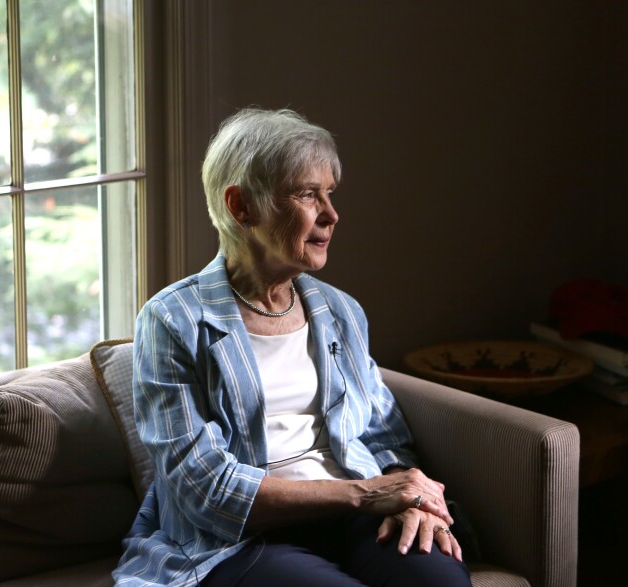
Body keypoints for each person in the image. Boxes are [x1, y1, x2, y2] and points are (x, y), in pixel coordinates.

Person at [113, 108, 472, 586]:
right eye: (307, 194)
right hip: (238, 539)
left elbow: (384, 435)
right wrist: (364, 494)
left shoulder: (338, 310)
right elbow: (204, 489)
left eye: (330, 193)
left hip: (352, 515)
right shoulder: (173, 320)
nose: (331, 214)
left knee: (439, 581)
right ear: (242, 207)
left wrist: (413, 498)